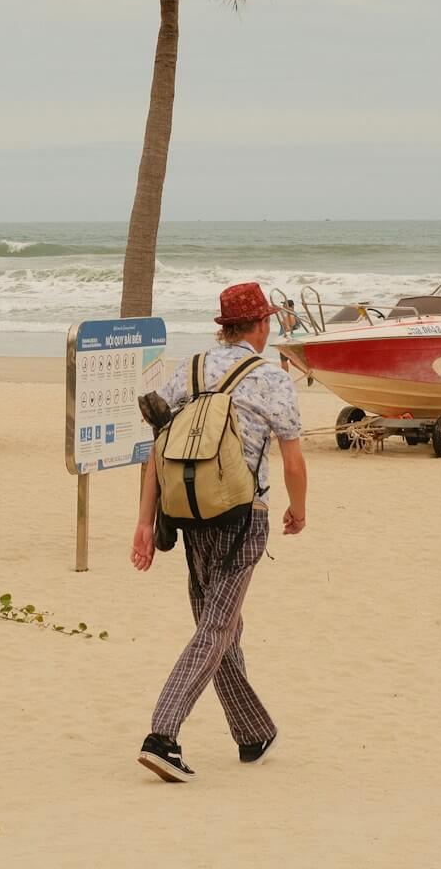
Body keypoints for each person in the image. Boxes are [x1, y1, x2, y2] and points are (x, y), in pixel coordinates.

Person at [132, 281, 307, 782]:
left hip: (190, 516)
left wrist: (144, 522)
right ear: (262, 325)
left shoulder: (187, 371)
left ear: (223, 326)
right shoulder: (271, 379)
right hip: (244, 516)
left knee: (221, 623)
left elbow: (156, 454)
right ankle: (162, 736)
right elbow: (292, 460)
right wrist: (299, 509)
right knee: (216, 627)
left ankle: (253, 731)